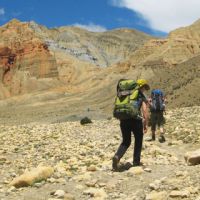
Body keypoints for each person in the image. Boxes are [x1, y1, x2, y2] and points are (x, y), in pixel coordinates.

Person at [112, 79, 150, 171]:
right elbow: (145, 111)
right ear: (142, 86)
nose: (145, 89)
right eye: (145, 87)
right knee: (138, 140)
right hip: (136, 120)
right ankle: (136, 163)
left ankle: (117, 156)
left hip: (124, 120)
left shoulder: (125, 93)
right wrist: (146, 124)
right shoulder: (140, 94)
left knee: (126, 141)